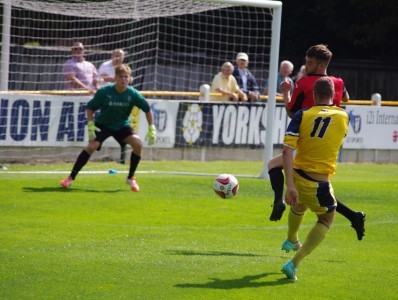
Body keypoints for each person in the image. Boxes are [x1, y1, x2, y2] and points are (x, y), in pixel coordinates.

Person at [269, 44, 366, 242]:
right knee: (317, 189)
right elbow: (346, 98)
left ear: (320, 65)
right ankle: (354, 216)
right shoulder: (338, 82)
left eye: (309, 62)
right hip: (329, 142)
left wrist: (286, 92)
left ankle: (278, 201)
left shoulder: (303, 83)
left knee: (274, 166)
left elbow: (291, 111)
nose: (306, 65)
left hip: (308, 144)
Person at [280, 77, 349, 280]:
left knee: (300, 205)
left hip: (298, 175)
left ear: (313, 95)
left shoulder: (302, 114)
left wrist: (289, 185)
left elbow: (286, 151)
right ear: (334, 95)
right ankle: (294, 263)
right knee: (327, 218)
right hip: (318, 183)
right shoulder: (344, 116)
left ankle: (291, 239)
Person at [60, 64, 156, 192]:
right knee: (91, 147)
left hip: (122, 125)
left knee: (138, 144)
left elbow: (148, 110)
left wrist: (152, 128)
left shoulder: (133, 94)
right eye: (121, 76)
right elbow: (90, 108)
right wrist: (90, 124)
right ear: (115, 78)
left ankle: (131, 177)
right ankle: (70, 178)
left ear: (129, 79)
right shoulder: (104, 92)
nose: (123, 79)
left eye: (126, 77)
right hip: (103, 124)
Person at [98, 49, 130, 164]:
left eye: (120, 56)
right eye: (116, 55)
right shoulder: (105, 65)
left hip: (121, 102)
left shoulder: (124, 68)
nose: (118, 58)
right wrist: (117, 80)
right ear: (112, 56)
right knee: (102, 126)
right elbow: (102, 78)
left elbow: (130, 79)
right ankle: (97, 146)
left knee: (123, 128)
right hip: (106, 100)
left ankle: (122, 157)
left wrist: (115, 79)